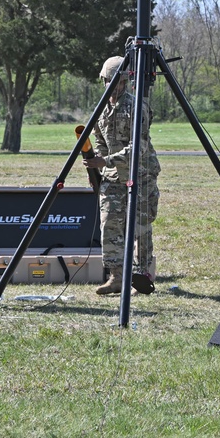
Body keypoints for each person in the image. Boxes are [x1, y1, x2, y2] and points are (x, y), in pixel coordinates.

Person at [82, 55, 160, 295]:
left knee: (140, 228)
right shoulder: (101, 109)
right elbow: (99, 139)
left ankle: (143, 277)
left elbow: (140, 146)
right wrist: (100, 167)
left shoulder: (137, 107)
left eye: (118, 80)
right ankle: (116, 276)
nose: (113, 85)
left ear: (125, 81)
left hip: (142, 174)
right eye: (109, 80)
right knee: (110, 225)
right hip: (113, 176)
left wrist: (106, 160)